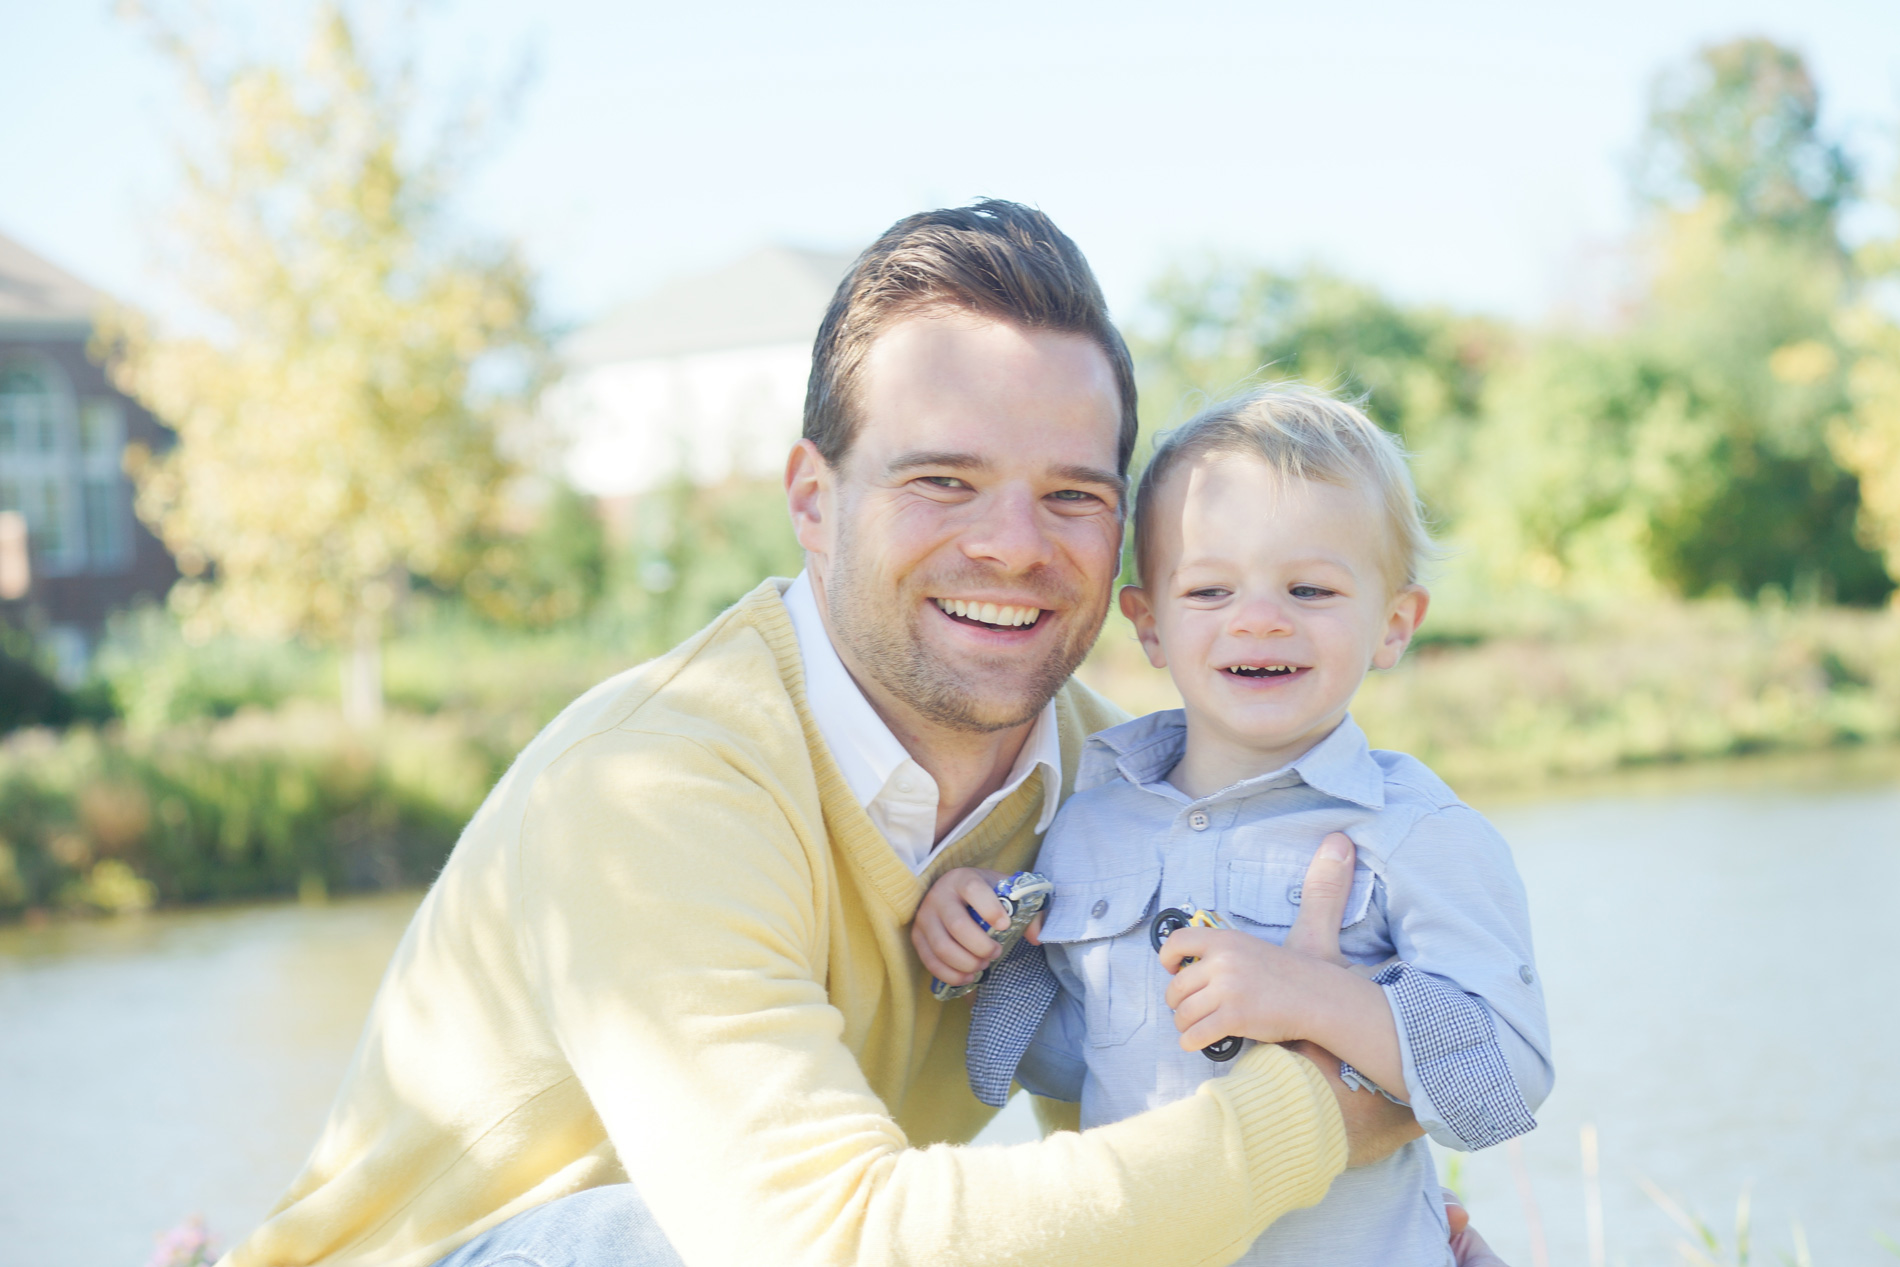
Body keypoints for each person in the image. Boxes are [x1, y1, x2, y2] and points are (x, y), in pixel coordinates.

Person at [219, 202, 1485, 1267]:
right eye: (942, 479)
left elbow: (1125, 1140)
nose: (1011, 543)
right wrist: (1313, 1112)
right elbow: (828, 1243)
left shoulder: (1122, 780)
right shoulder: (656, 784)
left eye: (1072, 495)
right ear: (814, 502)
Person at [914, 385, 1553, 1265]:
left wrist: (1314, 997)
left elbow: (1502, 1077)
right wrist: (985, 939)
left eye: (1310, 587)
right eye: (1210, 588)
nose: (1260, 617)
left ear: (1394, 624)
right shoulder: (1091, 822)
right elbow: (1070, 1063)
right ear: (1149, 626)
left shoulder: (1415, 832)